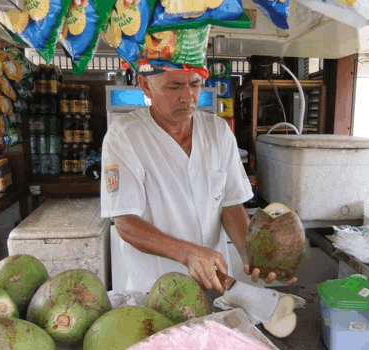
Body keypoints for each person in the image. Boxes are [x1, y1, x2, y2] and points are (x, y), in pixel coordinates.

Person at [101, 64, 297, 293]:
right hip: (156, 290)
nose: (188, 96)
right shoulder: (125, 135)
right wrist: (188, 253)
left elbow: (230, 205)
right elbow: (126, 223)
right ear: (146, 86)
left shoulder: (218, 131)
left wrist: (252, 252)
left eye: (195, 85)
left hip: (216, 284)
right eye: (174, 86)